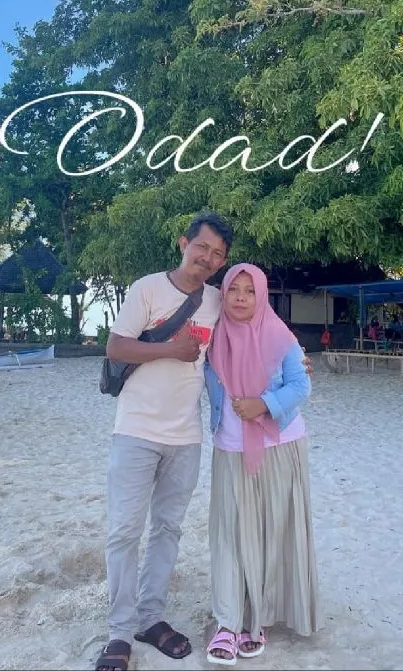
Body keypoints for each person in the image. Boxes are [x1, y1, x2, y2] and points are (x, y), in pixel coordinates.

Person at [95, 214, 313, 671]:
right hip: (135, 429)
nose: (209, 259)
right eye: (203, 248)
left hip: (188, 436)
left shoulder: (218, 297)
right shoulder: (147, 289)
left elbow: (256, 331)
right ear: (184, 243)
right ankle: (119, 631)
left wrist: (293, 366)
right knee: (124, 532)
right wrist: (168, 350)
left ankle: (151, 618)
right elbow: (116, 347)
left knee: (167, 530)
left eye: (218, 255)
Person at [204, 263, 320, 665]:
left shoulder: (279, 335)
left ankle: (261, 617)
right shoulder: (212, 336)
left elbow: (300, 385)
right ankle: (227, 621)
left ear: (262, 295)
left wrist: (263, 405)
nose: (240, 298)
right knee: (230, 535)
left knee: (271, 534)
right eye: (233, 289)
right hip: (229, 448)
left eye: (249, 291)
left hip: (280, 444)